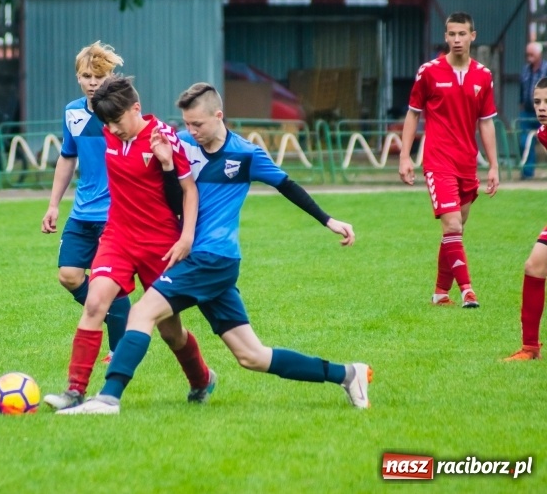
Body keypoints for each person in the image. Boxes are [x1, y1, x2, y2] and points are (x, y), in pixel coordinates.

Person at [57, 83, 371, 416]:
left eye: (198, 125)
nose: (191, 132)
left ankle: (108, 398)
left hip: (211, 258)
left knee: (141, 313)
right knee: (252, 356)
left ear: (218, 116)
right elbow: (172, 192)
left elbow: (287, 186)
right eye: (187, 124)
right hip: (205, 262)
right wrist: (164, 164)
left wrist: (328, 220)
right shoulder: (181, 144)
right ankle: (348, 374)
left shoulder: (246, 154)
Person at [44, 75, 211, 411]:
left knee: (170, 331)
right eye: (108, 123)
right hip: (117, 237)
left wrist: (187, 237)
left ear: (137, 108)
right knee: (94, 304)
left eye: (118, 121)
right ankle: (74, 392)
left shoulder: (163, 138)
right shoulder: (106, 130)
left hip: (159, 243)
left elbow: (190, 191)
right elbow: (72, 150)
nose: (114, 129)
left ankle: (202, 379)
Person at [398, 11, 499, 309]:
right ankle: (468, 290)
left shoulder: (483, 75)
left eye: (462, 34)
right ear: (445, 37)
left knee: (455, 230)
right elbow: (413, 113)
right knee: (452, 225)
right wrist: (405, 156)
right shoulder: (428, 71)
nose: (457, 39)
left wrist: (493, 165)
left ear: (472, 36)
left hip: (467, 162)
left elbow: (486, 122)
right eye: (452, 34)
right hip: (438, 160)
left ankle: (441, 293)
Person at [41, 41, 129, 363]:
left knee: (109, 281)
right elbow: (67, 158)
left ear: (109, 76)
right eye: (85, 76)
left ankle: (119, 350)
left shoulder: (121, 115)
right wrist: (53, 205)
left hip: (115, 214)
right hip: (82, 211)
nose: (91, 82)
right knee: (68, 274)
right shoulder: (72, 112)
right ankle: (116, 316)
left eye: (97, 76)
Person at [504, 77, 547, 361]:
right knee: (534, 266)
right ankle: (530, 348)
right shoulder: (543, 133)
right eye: (537, 101)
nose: (541, 107)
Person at [519, 42, 547, 180]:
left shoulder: (546, 69)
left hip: (544, 113)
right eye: (527, 54)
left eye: (532, 54)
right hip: (528, 113)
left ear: (539, 55)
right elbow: (521, 89)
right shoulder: (525, 70)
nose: (529, 57)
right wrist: (522, 105)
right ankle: (528, 173)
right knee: (524, 142)